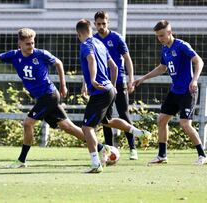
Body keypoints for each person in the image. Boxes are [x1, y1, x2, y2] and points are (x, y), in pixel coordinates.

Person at [0, 28, 109, 169]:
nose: (31, 46)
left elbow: (58, 63)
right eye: (28, 44)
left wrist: (63, 85)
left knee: (28, 123)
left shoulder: (40, 54)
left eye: (33, 43)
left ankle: (21, 160)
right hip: (43, 98)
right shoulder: (14, 55)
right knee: (68, 127)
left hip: (50, 96)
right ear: (20, 43)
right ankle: (102, 147)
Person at [76, 19, 151, 173]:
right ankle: (140, 133)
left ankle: (95, 164)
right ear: (91, 29)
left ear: (78, 34)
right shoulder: (101, 44)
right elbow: (115, 66)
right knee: (107, 121)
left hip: (100, 91)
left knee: (87, 127)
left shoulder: (85, 45)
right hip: (110, 89)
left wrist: (92, 79)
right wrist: (113, 85)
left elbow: (91, 60)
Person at [133, 20, 206, 165]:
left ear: (169, 32)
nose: (160, 39)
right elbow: (162, 68)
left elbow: (199, 61)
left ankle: (202, 155)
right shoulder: (165, 49)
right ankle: (162, 155)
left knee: (185, 123)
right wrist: (143, 78)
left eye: (162, 35)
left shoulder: (182, 46)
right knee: (161, 120)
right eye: (158, 36)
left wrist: (195, 80)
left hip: (187, 90)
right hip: (175, 91)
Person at [93, 11, 138, 160]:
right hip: (104, 84)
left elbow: (127, 58)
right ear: (94, 24)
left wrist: (131, 79)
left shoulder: (117, 38)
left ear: (108, 23)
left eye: (103, 23)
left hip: (119, 82)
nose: (101, 26)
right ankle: (109, 150)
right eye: (98, 24)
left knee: (124, 114)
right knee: (106, 118)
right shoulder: (93, 40)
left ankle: (133, 148)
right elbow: (90, 63)